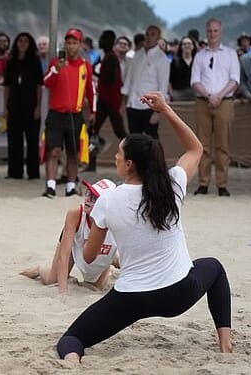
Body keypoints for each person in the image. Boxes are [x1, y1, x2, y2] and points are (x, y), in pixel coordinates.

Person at [56, 91, 232, 362]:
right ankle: (225, 346)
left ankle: (72, 364)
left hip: (132, 297)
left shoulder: (109, 200)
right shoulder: (172, 183)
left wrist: (95, 230)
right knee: (215, 268)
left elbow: (91, 258)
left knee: (72, 339)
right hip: (178, 293)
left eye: (118, 153)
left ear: (129, 164)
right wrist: (166, 110)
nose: (115, 157)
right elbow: (196, 148)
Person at [21, 179, 118, 293]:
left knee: (95, 287)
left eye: (94, 197)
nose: (87, 199)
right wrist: (63, 293)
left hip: (100, 247)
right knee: (52, 279)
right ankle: (39, 269)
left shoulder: (115, 221)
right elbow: (64, 255)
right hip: (75, 241)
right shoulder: (76, 213)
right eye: (88, 193)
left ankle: (110, 263)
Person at [42, 28, 95, 198]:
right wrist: (56, 69)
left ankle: (71, 187)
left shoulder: (85, 66)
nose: (71, 46)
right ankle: (50, 185)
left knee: (73, 152)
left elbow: (91, 90)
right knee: (54, 150)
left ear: (80, 45)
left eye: (74, 43)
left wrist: (93, 110)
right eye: (68, 43)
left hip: (75, 114)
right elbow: (46, 83)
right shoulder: (56, 63)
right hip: (56, 114)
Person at [190, 18, 239, 197]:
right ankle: (203, 183)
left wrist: (219, 95)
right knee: (202, 145)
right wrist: (208, 95)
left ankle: (222, 184)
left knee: (222, 144)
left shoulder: (230, 54)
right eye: (210, 31)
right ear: (206, 31)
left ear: (221, 31)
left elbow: (235, 80)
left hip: (224, 102)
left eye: (215, 31)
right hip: (203, 102)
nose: (212, 34)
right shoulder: (200, 55)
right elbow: (194, 80)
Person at [3, 32, 43, 180]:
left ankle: (33, 172)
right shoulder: (11, 61)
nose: (23, 44)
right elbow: (6, 86)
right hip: (14, 105)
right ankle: (14, 171)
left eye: (26, 41)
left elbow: (39, 86)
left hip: (30, 105)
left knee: (32, 141)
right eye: (20, 41)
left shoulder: (35, 61)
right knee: (14, 140)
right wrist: (5, 107)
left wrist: (38, 106)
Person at [88, 30, 127, 172]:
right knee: (94, 130)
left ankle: (134, 156)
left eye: (102, 39)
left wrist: (95, 73)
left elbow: (110, 79)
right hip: (107, 99)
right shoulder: (109, 57)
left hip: (109, 100)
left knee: (120, 132)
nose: (99, 41)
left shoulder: (110, 58)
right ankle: (91, 163)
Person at [121, 25, 169, 139]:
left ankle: (157, 158)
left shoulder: (162, 58)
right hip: (133, 104)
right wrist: (123, 103)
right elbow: (128, 81)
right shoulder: (137, 54)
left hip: (149, 107)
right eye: (147, 34)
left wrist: (157, 112)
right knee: (134, 139)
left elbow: (163, 87)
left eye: (153, 35)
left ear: (158, 38)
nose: (149, 37)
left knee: (151, 141)